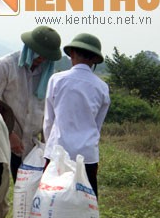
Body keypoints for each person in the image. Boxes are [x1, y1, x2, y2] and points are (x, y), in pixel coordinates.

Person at [0, 25, 62, 182]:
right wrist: (9, 133)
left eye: (46, 56)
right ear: (29, 47)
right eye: (39, 54)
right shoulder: (4, 66)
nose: (41, 59)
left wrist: (48, 145)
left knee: (30, 192)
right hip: (3, 140)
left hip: (32, 146)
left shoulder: (47, 74)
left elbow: (49, 111)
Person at [43, 33, 111, 197]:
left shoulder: (56, 80)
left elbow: (48, 120)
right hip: (87, 155)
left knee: (51, 199)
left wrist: (49, 146)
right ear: (94, 59)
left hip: (58, 152)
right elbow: (97, 125)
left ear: (72, 53)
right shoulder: (102, 87)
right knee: (85, 201)